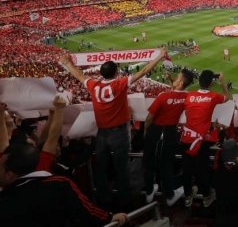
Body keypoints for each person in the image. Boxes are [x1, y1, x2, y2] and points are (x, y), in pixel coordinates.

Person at [59, 49, 167, 210]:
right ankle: (126, 204)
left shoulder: (93, 85)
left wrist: (67, 62)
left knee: (101, 169)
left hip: (101, 134)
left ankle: (104, 203)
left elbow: (79, 75)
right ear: (116, 72)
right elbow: (144, 71)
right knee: (121, 169)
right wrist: (159, 56)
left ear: (101, 74)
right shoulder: (119, 83)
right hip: (119, 133)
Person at [0, 143, 128, 226]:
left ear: (10, 174)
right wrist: (109, 218)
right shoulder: (59, 183)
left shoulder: (6, 198)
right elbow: (86, 211)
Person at [143, 68, 194, 206]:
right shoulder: (187, 97)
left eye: (177, 77)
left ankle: (149, 193)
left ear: (181, 82)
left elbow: (149, 118)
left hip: (155, 130)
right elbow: (177, 91)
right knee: (167, 165)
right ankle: (170, 196)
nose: (175, 79)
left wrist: (145, 131)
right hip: (171, 133)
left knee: (149, 162)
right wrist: (171, 80)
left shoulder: (162, 97)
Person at [181, 69, 230, 208]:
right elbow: (227, 97)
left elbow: (187, 111)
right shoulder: (213, 96)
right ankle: (207, 195)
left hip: (186, 137)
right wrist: (222, 82)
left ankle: (188, 196)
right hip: (201, 141)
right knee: (203, 168)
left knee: (187, 169)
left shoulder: (189, 96)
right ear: (211, 83)